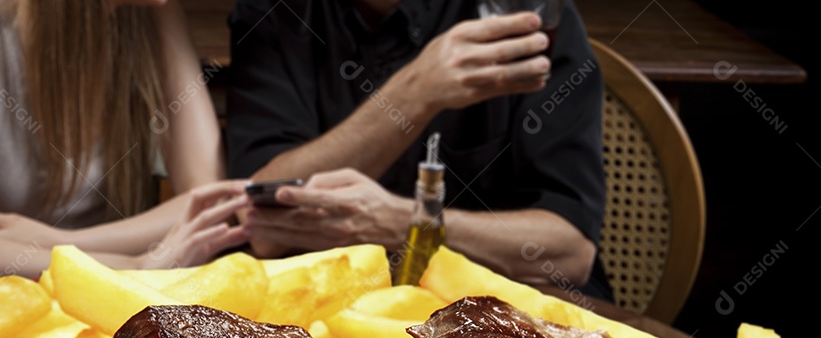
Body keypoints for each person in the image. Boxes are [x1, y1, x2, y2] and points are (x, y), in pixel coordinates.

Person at [225, 0, 612, 299]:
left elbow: (568, 252)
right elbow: (260, 219)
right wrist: (417, 91)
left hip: (513, 319)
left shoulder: (521, 11)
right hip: (335, 319)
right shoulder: (273, 13)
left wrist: (408, 225)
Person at [0, 0, 250, 293]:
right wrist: (134, 266)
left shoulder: (152, 16)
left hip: (55, 292)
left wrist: (60, 244)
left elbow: (210, 202)